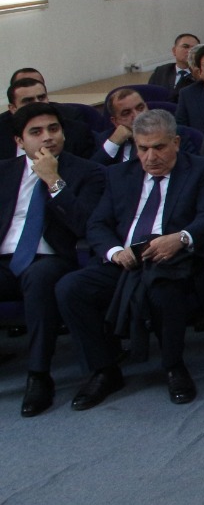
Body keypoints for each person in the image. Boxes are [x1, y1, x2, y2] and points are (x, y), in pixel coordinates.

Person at [57, 109, 204, 410]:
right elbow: (97, 224)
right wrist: (114, 252)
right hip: (126, 262)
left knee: (163, 289)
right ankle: (105, 370)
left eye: (159, 147)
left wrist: (180, 238)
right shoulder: (118, 175)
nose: (150, 157)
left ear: (175, 142)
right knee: (70, 288)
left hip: (172, 259)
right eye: (143, 148)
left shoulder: (203, 170)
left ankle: (173, 366)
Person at [0, 103, 107, 417]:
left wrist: (54, 182)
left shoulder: (88, 172)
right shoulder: (4, 172)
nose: (47, 137)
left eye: (53, 129)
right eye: (36, 132)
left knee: (39, 277)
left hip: (53, 258)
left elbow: (86, 226)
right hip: (5, 258)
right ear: (19, 141)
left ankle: (38, 375)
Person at [1, 76, 95, 160]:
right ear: (13, 108)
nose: (37, 103)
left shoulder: (77, 132)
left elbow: (86, 170)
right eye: (28, 101)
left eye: (41, 98)